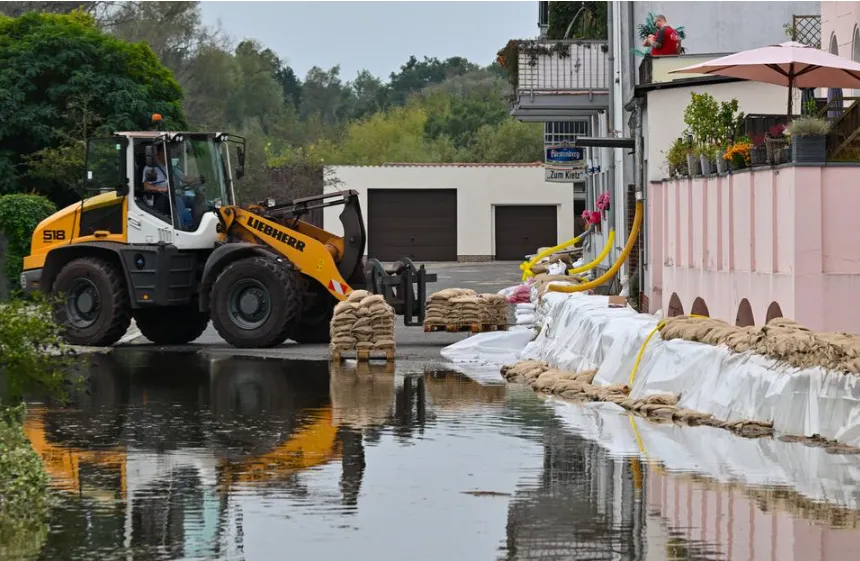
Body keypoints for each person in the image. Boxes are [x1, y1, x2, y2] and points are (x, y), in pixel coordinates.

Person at [141, 144, 199, 229]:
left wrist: (197, 178)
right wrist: (160, 189)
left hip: (173, 195)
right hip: (161, 197)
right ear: (158, 153)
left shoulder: (171, 167)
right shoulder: (150, 168)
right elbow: (146, 186)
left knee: (197, 199)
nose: (169, 154)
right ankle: (187, 225)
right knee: (176, 200)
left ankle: (198, 222)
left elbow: (185, 179)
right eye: (166, 152)